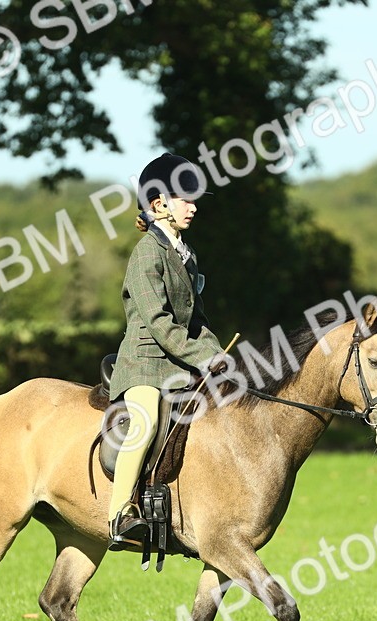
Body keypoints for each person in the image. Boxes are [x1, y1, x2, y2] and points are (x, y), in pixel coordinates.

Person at [106, 152, 228, 549]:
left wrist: (220, 354)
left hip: (179, 362)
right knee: (145, 423)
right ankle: (120, 514)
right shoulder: (147, 253)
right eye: (186, 199)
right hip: (144, 362)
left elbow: (198, 321)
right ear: (159, 204)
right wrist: (200, 357)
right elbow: (159, 323)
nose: (194, 207)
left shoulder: (186, 256)